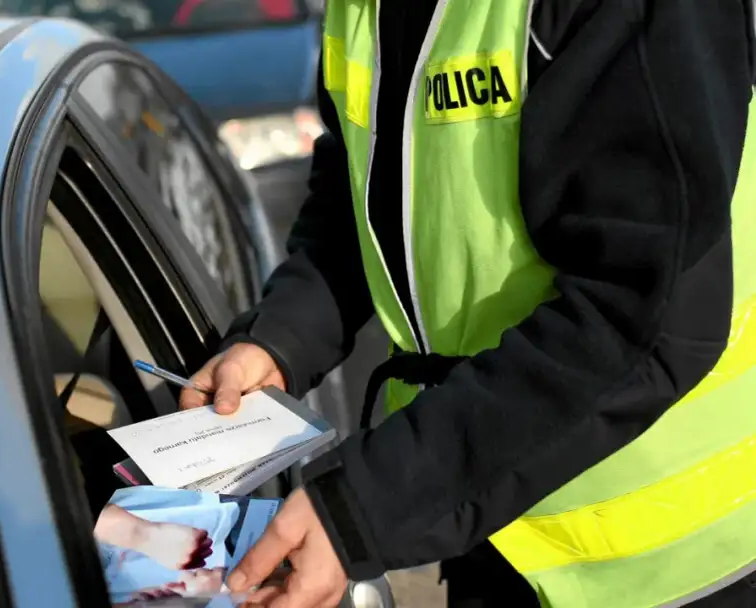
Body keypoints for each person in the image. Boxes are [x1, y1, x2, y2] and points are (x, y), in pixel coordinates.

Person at [179, 1, 756, 606]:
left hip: (680, 559)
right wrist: (282, 339)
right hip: (493, 525)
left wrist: (366, 506)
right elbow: (366, 187)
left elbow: (642, 317)